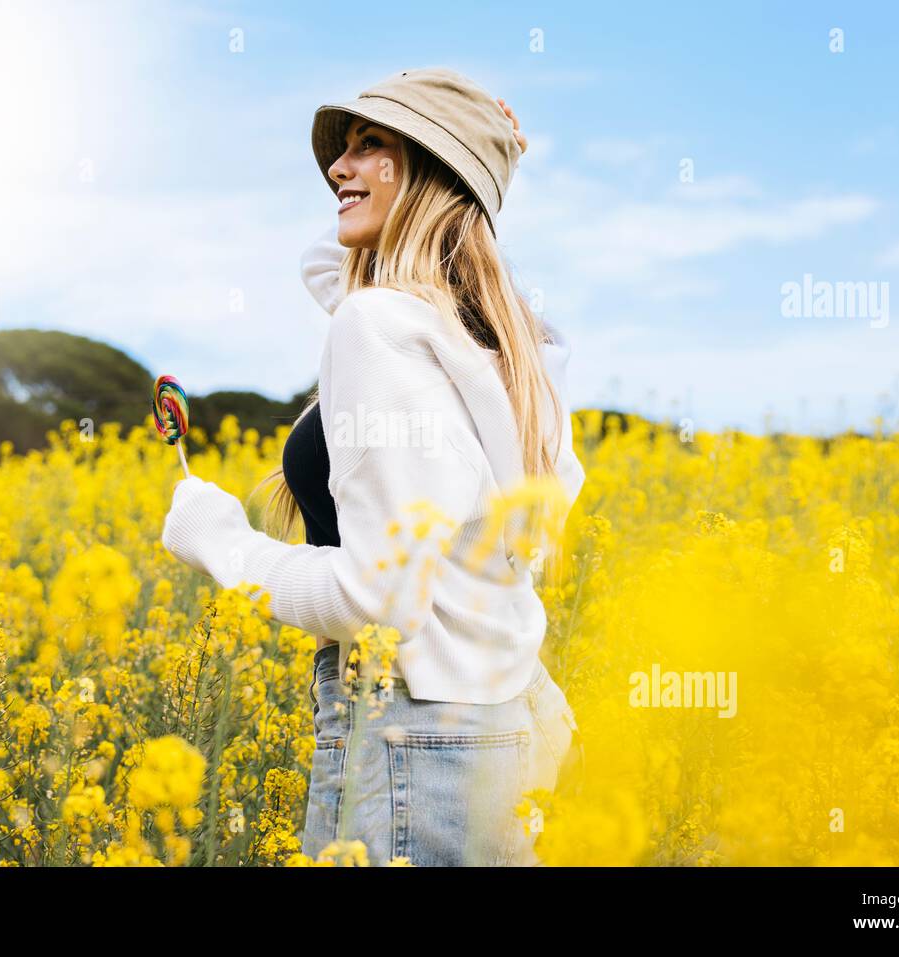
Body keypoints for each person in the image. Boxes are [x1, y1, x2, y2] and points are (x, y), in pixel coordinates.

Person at [162, 66, 585, 866]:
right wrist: (481, 161)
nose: (337, 169)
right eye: (343, 151)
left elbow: (376, 597)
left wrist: (220, 541)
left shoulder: (380, 329)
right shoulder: (503, 350)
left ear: (424, 172)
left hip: (410, 741)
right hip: (503, 724)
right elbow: (330, 265)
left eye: (370, 147)